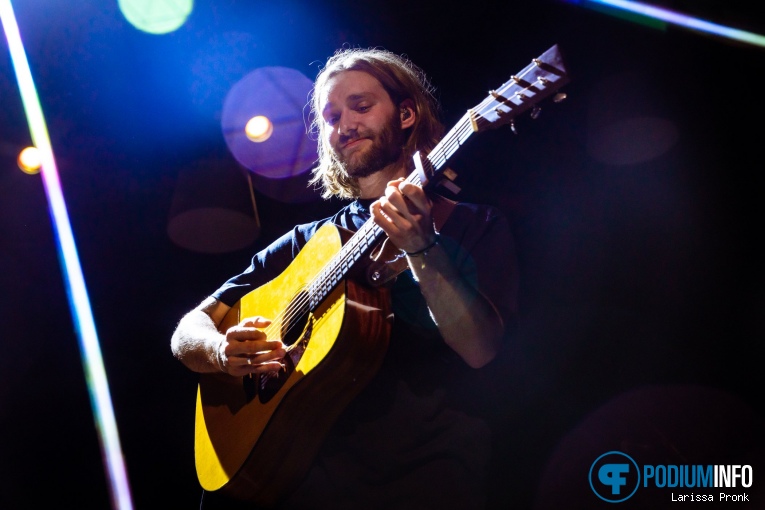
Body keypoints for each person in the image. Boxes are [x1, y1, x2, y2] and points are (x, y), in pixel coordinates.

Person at [171, 47, 519, 509]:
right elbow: (187, 330)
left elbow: (480, 350)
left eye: (361, 106)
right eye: (331, 116)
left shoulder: (474, 224)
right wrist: (220, 351)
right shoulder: (307, 241)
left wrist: (422, 248)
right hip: (301, 484)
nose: (344, 125)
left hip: (425, 482)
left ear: (407, 113)